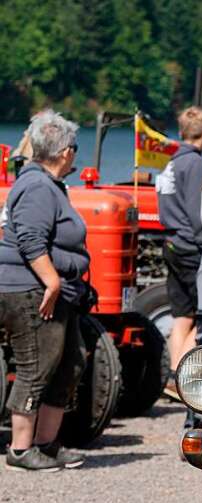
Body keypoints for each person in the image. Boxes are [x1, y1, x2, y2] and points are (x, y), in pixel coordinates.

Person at [0, 110, 89, 471]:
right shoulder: (37, 187)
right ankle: (21, 449)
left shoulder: (46, 184)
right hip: (32, 290)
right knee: (37, 365)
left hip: (55, 290)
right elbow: (30, 238)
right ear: (66, 151)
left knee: (71, 361)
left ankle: (47, 442)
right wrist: (52, 280)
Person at [156, 105, 202, 381]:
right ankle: (181, 372)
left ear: (181, 133)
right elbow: (197, 212)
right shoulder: (194, 164)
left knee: (182, 314)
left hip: (170, 243)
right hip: (190, 247)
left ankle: (170, 373)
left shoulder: (171, 162)